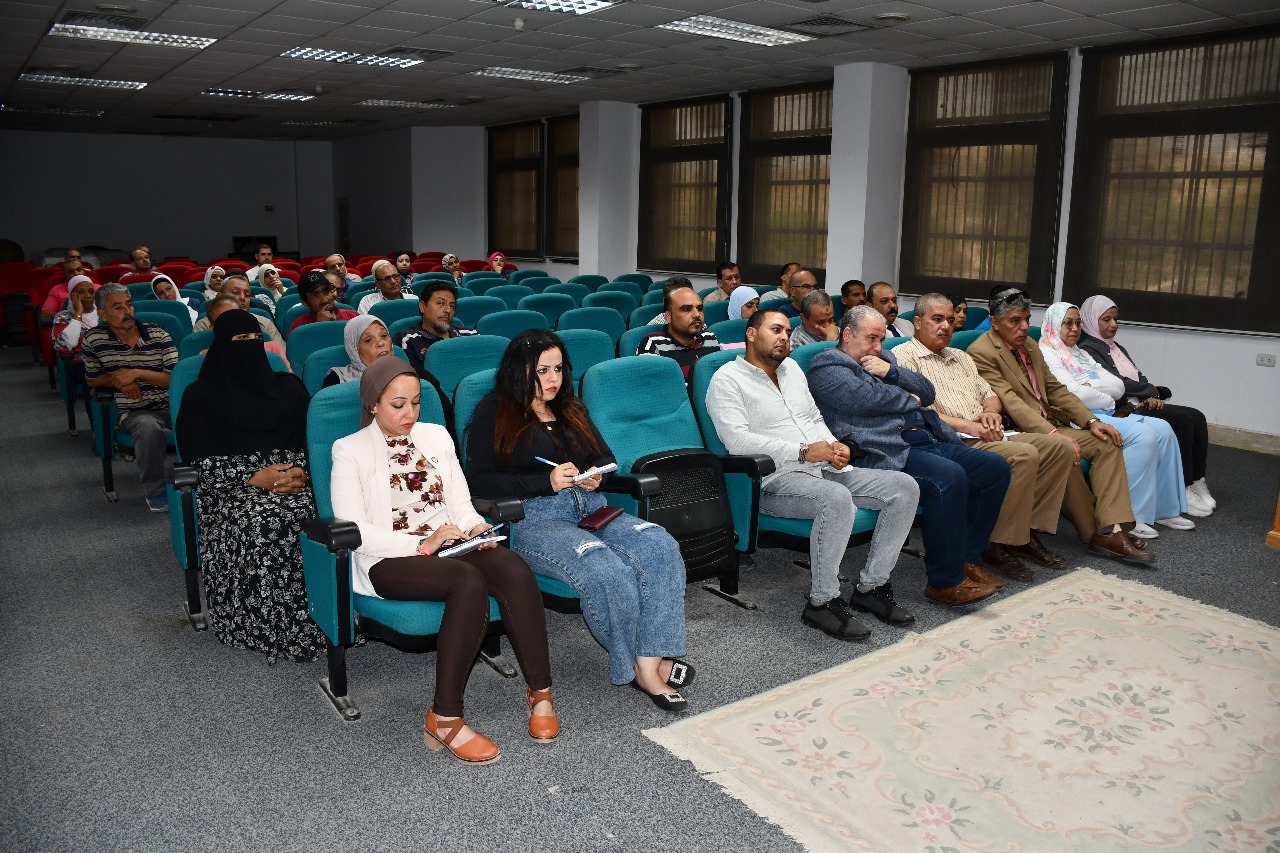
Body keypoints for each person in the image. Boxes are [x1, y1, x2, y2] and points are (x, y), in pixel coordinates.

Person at [332, 358, 557, 762]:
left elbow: (460, 502)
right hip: (389, 558)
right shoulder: (349, 451)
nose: (410, 413)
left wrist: (474, 528)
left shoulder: (435, 436)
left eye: (416, 402)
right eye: (398, 405)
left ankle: (540, 693)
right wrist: (424, 541)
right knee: (466, 581)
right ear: (373, 404)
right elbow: (357, 532)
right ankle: (446, 718)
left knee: (512, 567)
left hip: (449, 545)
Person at [466, 331, 692, 711]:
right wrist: (545, 481)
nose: (553, 379)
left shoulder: (571, 407)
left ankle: (649, 658)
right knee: (605, 569)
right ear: (519, 370)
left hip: (592, 507)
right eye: (542, 371)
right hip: (535, 518)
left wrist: (596, 475)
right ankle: (643, 668)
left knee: (660, 544)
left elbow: (605, 456)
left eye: (558, 369)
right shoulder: (495, 411)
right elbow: (478, 481)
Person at [706, 310, 923, 638]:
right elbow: (737, 441)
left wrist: (836, 447)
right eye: (775, 329)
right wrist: (804, 451)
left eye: (787, 331)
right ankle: (822, 602)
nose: (784, 337)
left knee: (904, 487)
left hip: (822, 467)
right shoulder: (727, 379)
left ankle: (872, 588)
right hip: (776, 480)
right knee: (835, 498)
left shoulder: (792, 369)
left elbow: (813, 418)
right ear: (751, 334)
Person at [808, 305, 1008, 599]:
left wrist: (891, 372)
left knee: (994, 468)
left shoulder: (885, 360)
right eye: (871, 339)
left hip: (924, 437)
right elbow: (868, 400)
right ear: (848, 334)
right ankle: (945, 580)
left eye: (881, 339)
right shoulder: (826, 366)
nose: (878, 347)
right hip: (885, 449)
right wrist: (909, 398)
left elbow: (928, 391)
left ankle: (968, 558)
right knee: (948, 477)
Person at [174, 309, 326, 664]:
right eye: (240, 340)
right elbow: (197, 462)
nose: (249, 346)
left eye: (255, 339)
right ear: (221, 346)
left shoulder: (289, 387)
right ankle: (272, 625)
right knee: (266, 521)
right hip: (229, 487)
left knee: (325, 514)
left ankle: (331, 616)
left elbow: (316, 443)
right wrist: (251, 477)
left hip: (295, 478)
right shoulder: (201, 396)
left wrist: (303, 473)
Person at [968, 288, 1156, 565]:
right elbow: (1011, 403)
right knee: (1064, 450)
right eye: (1015, 321)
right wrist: (1054, 434)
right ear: (995, 322)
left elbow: (1056, 390)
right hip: (1023, 430)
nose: (1024, 327)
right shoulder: (981, 352)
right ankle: (1096, 534)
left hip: (1052, 422)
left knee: (1106, 441)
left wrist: (1091, 421)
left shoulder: (1030, 346)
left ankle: (1112, 527)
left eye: (1026, 319)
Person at [894, 294, 1072, 578]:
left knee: (1058, 447)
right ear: (917, 322)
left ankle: (1024, 533)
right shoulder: (903, 358)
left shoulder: (961, 356)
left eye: (949, 320)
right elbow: (920, 412)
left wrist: (990, 412)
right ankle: (996, 543)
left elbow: (989, 395)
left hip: (988, 430)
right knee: (1024, 455)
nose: (946, 326)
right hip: (953, 439)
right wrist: (970, 426)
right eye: (937, 319)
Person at [1039, 302, 1192, 539]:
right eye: (1067, 323)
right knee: (1142, 436)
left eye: (1078, 323)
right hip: (1077, 419)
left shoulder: (1080, 353)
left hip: (1103, 413)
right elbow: (1075, 395)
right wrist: (1105, 396)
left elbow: (1118, 386)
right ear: (1053, 325)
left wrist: (1092, 387)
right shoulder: (1047, 353)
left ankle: (1164, 509)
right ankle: (1132, 515)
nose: (1075, 329)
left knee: (1163, 429)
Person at [1079, 295, 1215, 516]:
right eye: (1106, 319)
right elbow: (1117, 383)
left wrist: (1148, 393)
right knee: (1183, 421)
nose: (1113, 324)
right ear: (1092, 320)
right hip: (1124, 408)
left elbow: (1137, 375)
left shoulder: (1116, 347)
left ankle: (1197, 478)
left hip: (1139, 401)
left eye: (1115, 319)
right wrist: (1150, 392)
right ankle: (1183, 486)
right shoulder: (1088, 349)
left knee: (1197, 416)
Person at [81, 283, 177, 512]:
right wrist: (119, 380)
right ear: (102, 314)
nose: (128, 311)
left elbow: (174, 378)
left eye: (129, 304)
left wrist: (137, 373)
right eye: (118, 307)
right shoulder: (93, 339)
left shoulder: (158, 333)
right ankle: (155, 492)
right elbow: (93, 380)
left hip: (175, 404)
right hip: (136, 412)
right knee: (148, 428)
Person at [635, 280, 720, 390]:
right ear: (668, 317)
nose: (696, 314)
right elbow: (654, 391)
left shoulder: (710, 338)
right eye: (686, 309)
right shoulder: (652, 344)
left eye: (699, 309)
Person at [394, 282, 478, 376]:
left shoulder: (470, 334)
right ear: (422, 306)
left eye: (452, 306)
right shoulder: (407, 340)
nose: (448, 310)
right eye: (440, 303)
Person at [200, 294, 291, 370]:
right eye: (224, 320)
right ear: (213, 329)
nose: (233, 323)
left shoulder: (273, 349)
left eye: (236, 316)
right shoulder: (205, 357)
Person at [51, 274, 99, 419]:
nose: (88, 296)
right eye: (81, 292)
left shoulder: (103, 312)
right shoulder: (63, 317)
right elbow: (68, 343)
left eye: (91, 292)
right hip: (82, 364)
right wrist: (78, 314)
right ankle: (97, 427)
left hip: (109, 358)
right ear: (72, 296)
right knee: (91, 374)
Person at [192, 273, 284, 345]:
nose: (242, 297)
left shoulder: (265, 323)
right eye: (236, 292)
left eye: (247, 295)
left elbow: (281, 356)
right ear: (220, 296)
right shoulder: (203, 325)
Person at [321, 315, 392, 389]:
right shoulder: (336, 380)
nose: (381, 343)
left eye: (384, 335)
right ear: (354, 350)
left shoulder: (400, 371)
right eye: (368, 340)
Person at [290, 270, 358, 333]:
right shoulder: (298, 327)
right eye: (315, 296)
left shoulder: (352, 317)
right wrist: (319, 326)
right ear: (306, 304)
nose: (325, 299)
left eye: (326, 291)